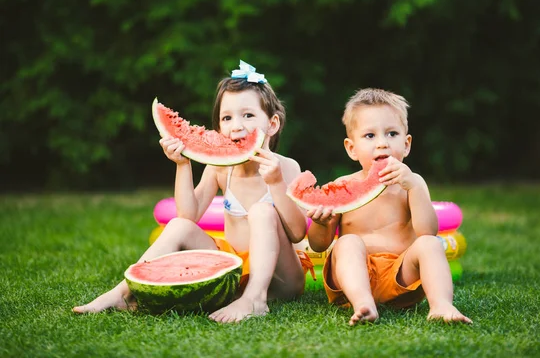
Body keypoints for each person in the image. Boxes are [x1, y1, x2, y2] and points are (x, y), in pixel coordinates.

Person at [73, 60, 313, 323]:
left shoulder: (287, 167)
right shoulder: (221, 168)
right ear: (219, 127)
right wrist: (183, 163)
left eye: (248, 115)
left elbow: (298, 231)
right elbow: (188, 216)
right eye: (227, 117)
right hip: (233, 274)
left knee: (262, 211)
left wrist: (277, 182)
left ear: (273, 123)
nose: (236, 125)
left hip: (282, 278)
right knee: (177, 226)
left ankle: (255, 298)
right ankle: (122, 292)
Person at [306, 88, 472, 326]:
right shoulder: (341, 187)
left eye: (392, 134)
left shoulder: (413, 184)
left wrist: (414, 187)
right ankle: (363, 303)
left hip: (401, 278)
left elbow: (427, 232)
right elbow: (318, 244)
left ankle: (441, 304)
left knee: (428, 244)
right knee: (347, 243)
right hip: (352, 278)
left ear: (406, 145)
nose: (382, 144)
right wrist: (322, 223)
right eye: (370, 136)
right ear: (351, 148)